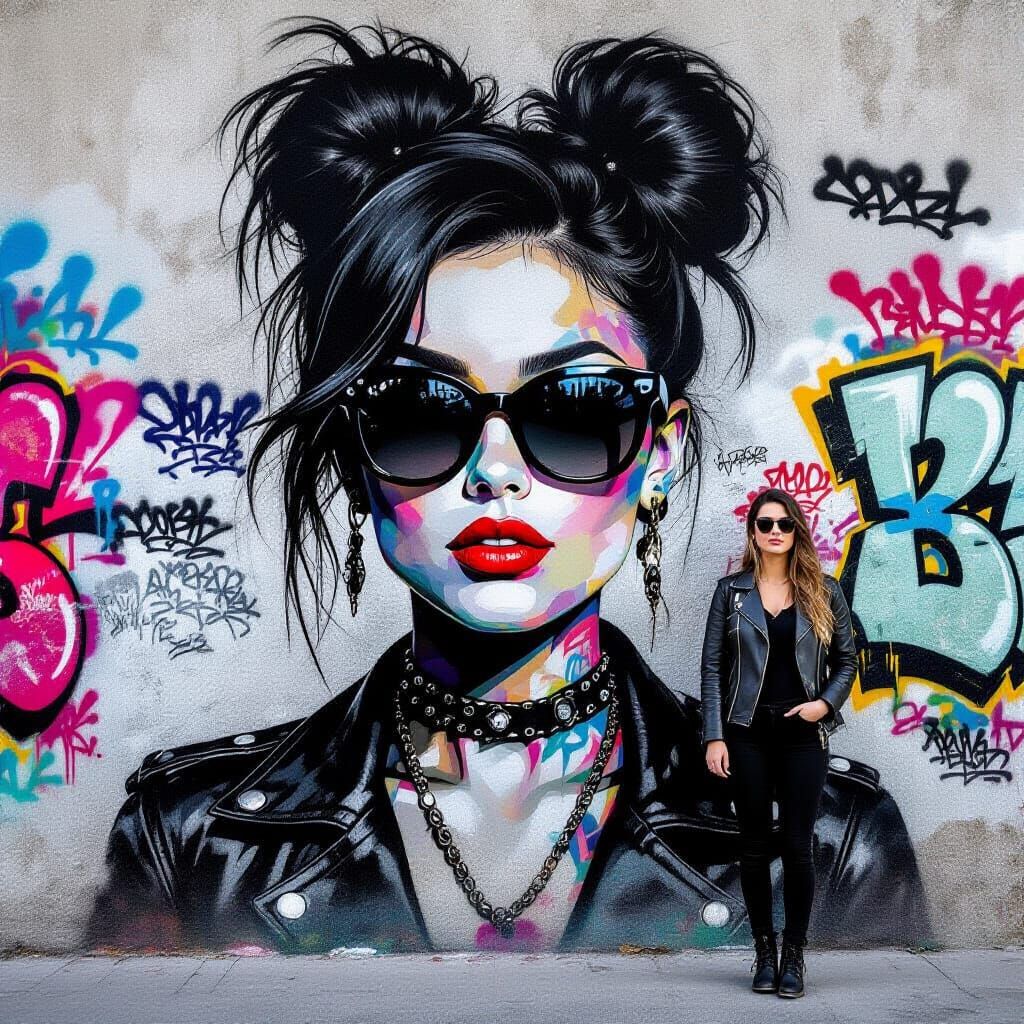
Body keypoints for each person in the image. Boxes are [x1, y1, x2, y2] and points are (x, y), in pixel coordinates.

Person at [88, 22, 930, 955]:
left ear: (657, 452)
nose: (495, 472)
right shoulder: (192, 837)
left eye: (575, 410)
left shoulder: (829, 834)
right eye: (419, 408)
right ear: (355, 452)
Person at [702, 487, 873, 996]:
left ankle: (795, 953)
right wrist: (714, 736)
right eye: (764, 523)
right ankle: (763, 950)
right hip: (747, 736)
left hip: (804, 737)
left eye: (784, 523)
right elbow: (713, 667)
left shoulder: (825, 590)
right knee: (753, 847)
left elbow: (848, 659)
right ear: (753, 532)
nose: (774, 531)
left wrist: (825, 704)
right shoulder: (730, 592)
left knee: (798, 847)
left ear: (796, 529)